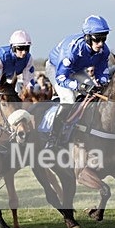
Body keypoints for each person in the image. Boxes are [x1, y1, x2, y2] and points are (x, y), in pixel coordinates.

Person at [44, 14, 111, 147]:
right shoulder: (72, 50)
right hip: (56, 68)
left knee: (93, 94)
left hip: (77, 69)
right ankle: (53, 137)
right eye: (97, 39)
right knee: (69, 98)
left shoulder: (104, 51)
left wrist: (103, 85)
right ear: (87, 37)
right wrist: (81, 87)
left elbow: (102, 74)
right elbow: (62, 78)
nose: (101, 43)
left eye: (104, 38)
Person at [0, 30, 36, 95]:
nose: (24, 52)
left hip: (9, 77)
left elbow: (28, 83)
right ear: (13, 47)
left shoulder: (28, 59)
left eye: (27, 48)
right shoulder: (0, 57)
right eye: (20, 48)